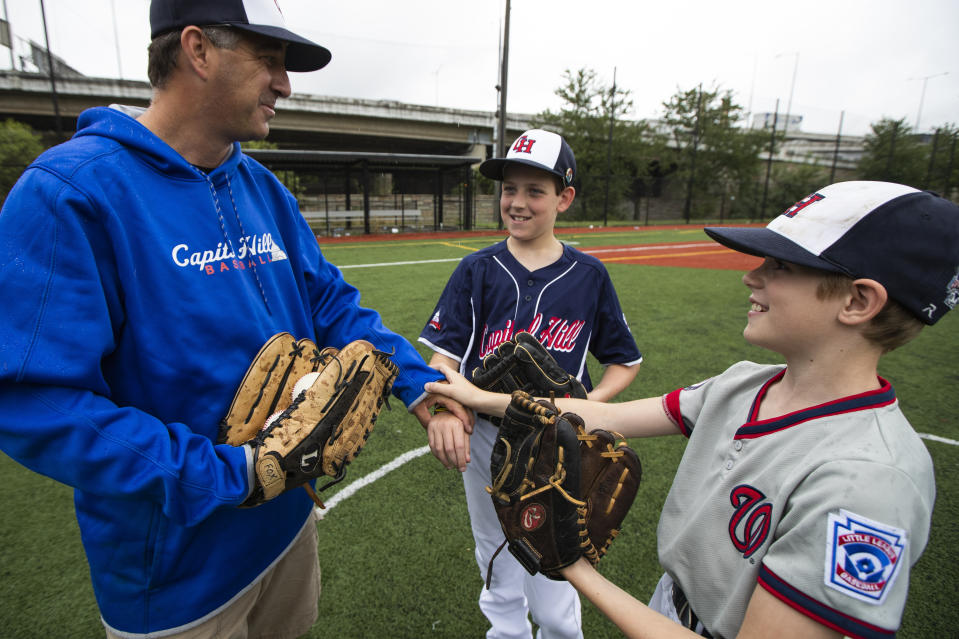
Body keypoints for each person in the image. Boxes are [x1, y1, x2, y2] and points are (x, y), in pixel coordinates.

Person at [0, 1, 470, 637]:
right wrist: (227, 474)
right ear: (197, 50)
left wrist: (417, 383)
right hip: (176, 576)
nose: (285, 84)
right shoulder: (72, 192)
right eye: (269, 61)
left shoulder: (260, 186)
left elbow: (329, 301)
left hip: (286, 527)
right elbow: (33, 400)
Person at [426, 180, 959, 638]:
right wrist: (479, 398)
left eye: (780, 264)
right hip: (668, 606)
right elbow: (609, 417)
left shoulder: (870, 483)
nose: (752, 277)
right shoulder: (744, 384)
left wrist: (573, 568)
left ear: (857, 301)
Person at [419, 128, 643, 639]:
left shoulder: (588, 274)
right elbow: (444, 359)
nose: (517, 203)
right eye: (509, 189)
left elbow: (624, 362)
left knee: (559, 544)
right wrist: (448, 408)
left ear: (564, 198)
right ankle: (507, 633)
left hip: (559, 438)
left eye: (534, 191)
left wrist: (591, 405)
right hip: (487, 435)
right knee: (496, 544)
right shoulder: (477, 269)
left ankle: (560, 633)